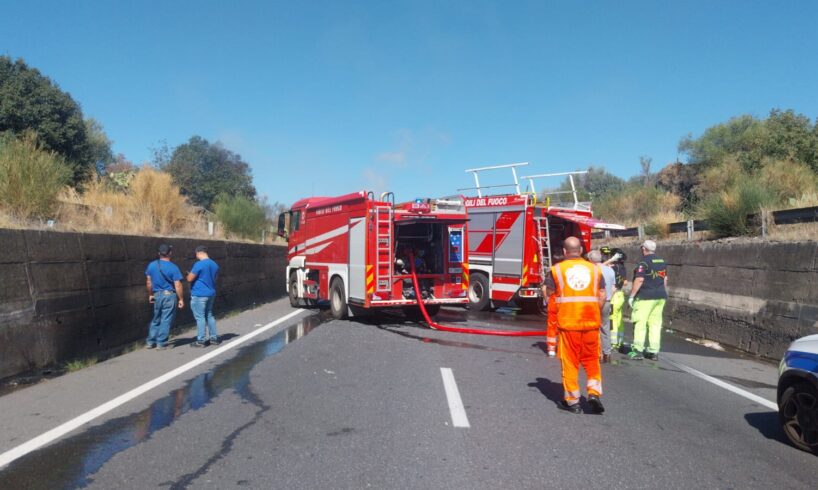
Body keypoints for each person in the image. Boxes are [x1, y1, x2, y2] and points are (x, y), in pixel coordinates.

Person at [544, 237, 607, 414]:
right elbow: (602, 295)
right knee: (592, 360)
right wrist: (594, 311)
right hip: (591, 323)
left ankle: (573, 401)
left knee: (570, 363)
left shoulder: (557, 270)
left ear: (564, 252)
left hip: (569, 324)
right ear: (580, 251)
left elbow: (550, 294)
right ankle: (594, 393)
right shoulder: (595, 269)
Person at [627, 240, 668, 361]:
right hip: (660, 297)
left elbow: (639, 280)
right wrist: (662, 292)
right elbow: (665, 279)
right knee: (655, 324)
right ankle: (653, 351)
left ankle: (638, 350)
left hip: (645, 297)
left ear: (644, 249)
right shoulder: (662, 261)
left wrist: (632, 296)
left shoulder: (643, 263)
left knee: (640, 323)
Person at [145, 243, 184, 350]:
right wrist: (181, 299)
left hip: (157, 295)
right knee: (166, 319)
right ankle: (161, 343)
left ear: (159, 253)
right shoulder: (173, 267)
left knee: (156, 318)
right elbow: (178, 285)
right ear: (170, 253)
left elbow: (149, 282)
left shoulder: (152, 265)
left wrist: (150, 295)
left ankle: (150, 341)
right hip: (169, 295)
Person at [187, 245, 221, 347]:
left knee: (200, 317)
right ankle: (213, 338)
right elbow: (214, 278)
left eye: (196, 254)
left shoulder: (199, 264)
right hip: (211, 293)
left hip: (199, 294)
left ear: (199, 252)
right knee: (209, 315)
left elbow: (189, 279)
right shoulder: (215, 265)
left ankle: (201, 340)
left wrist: (188, 274)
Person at [588, 250, 615, 363]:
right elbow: (613, 288)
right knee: (605, 327)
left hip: (593, 302)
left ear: (590, 260)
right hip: (607, 301)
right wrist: (609, 298)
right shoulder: (610, 270)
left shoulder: (590, 270)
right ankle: (607, 353)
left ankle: (596, 353)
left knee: (592, 328)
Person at [602, 247, 629, 350]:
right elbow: (625, 282)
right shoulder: (622, 267)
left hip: (614, 295)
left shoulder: (611, 267)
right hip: (620, 294)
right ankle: (619, 340)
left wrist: (609, 262)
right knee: (619, 318)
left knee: (612, 319)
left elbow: (599, 267)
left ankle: (613, 342)